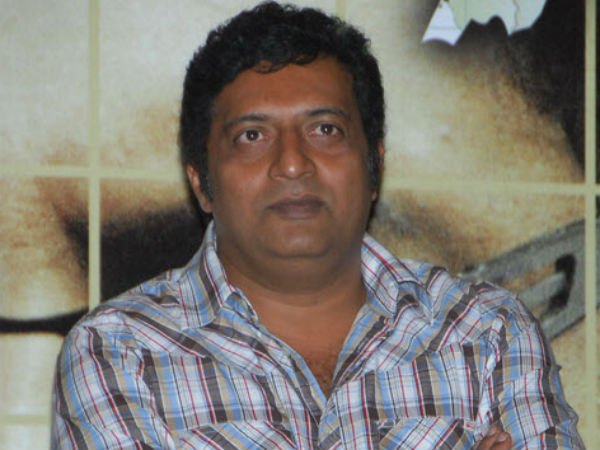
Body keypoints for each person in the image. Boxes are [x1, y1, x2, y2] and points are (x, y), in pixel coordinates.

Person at [51, 2, 584, 449]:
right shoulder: (118, 350)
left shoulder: (487, 329)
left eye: (325, 129)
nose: (292, 163)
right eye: (252, 136)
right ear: (202, 183)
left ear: (373, 167)